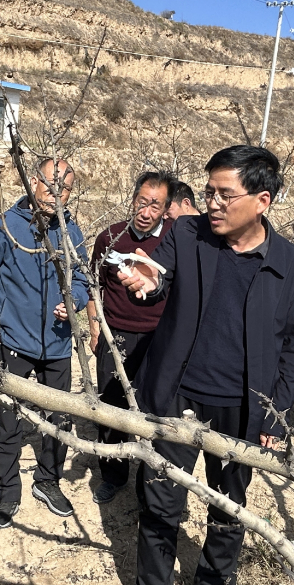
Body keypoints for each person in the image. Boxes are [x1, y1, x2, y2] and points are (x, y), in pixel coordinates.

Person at [117, 146, 294, 585]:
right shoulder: (188, 233)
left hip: (243, 409)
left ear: (262, 200)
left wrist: (277, 415)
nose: (213, 203)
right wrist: (148, 281)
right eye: (208, 192)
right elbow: (160, 274)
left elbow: (293, 347)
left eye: (225, 194)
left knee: (229, 507)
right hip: (177, 398)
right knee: (161, 506)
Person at [0, 158, 90, 528]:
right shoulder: (6, 225)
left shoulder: (72, 232)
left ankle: (48, 481)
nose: (56, 195)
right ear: (34, 181)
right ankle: (6, 492)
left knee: (59, 420)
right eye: (50, 185)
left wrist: (74, 301)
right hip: (14, 341)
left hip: (59, 345)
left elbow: (82, 280)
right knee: (8, 422)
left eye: (65, 189)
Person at [86, 172, 174, 504]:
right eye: (142, 202)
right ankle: (113, 476)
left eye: (156, 205)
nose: (146, 212)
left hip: (158, 339)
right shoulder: (109, 237)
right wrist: (95, 330)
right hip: (115, 336)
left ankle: (150, 482)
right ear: (133, 198)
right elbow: (94, 286)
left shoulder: (174, 240)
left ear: (166, 209)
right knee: (111, 409)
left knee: (156, 410)